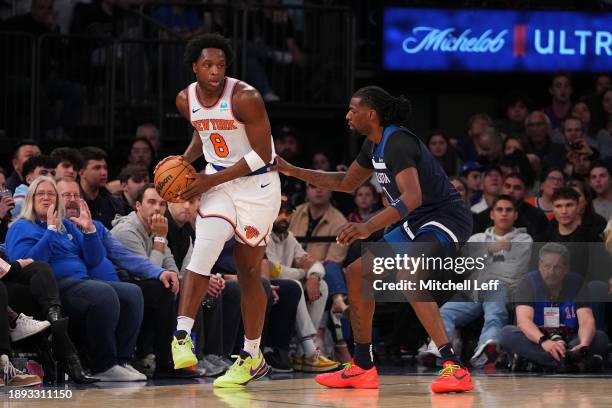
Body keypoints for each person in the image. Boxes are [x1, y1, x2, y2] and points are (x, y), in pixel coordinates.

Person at [275, 86, 474, 393]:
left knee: (410, 274)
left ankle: (454, 366)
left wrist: (368, 227)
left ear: (371, 114)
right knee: (357, 272)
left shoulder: (398, 142)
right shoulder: (373, 144)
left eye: (353, 110)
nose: (348, 115)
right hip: (416, 221)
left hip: (444, 217)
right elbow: (345, 182)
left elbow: (413, 197)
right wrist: (292, 170)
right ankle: (363, 365)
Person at [164, 33, 281, 388]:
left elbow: (262, 154)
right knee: (205, 247)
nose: (215, 71)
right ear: (194, 67)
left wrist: (208, 181)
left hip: (259, 186)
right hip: (217, 181)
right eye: (207, 65)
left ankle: (252, 355)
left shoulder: (246, 98)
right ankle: (182, 336)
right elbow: (204, 133)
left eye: (221, 65)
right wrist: (183, 163)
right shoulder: (186, 100)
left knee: (248, 273)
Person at [5, 177, 146, 381]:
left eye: (50, 194)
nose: (46, 198)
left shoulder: (67, 226)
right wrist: (50, 232)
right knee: (103, 294)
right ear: (30, 199)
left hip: (81, 282)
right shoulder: (21, 227)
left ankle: (121, 360)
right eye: (40, 194)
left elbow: (94, 259)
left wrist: (89, 232)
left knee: (132, 293)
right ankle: (103, 365)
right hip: (51, 289)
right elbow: (29, 266)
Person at [500, 243, 608, 372]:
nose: (551, 272)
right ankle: (571, 362)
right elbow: (523, 322)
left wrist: (583, 345)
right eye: (547, 266)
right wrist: (545, 342)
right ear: (540, 266)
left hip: (570, 339)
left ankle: (538, 362)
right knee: (507, 333)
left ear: (566, 268)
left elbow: (586, 319)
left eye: (557, 267)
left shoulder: (577, 283)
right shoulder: (528, 283)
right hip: (538, 340)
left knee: (600, 337)